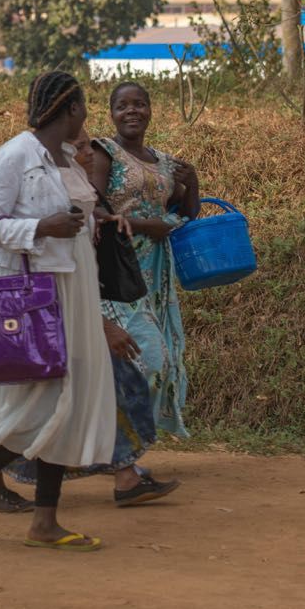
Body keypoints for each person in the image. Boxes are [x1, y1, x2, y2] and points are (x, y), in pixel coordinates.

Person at [0, 71, 117, 552]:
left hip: (74, 286)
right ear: (73, 109)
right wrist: (44, 226)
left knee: (71, 395)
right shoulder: (15, 154)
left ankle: (45, 521)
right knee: (45, 400)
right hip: (39, 293)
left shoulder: (64, 159)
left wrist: (95, 222)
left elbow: (77, 219)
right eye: (84, 107)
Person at [0, 110, 182, 507]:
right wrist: (100, 324)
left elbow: (84, 247)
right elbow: (41, 259)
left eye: (87, 145)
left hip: (73, 308)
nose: (88, 153)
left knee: (81, 391)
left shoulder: (76, 188)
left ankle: (118, 479)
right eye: (79, 145)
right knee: (33, 399)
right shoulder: (46, 187)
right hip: (42, 309)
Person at [85, 80, 200, 440]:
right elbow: (94, 211)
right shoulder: (104, 153)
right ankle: (119, 443)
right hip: (117, 267)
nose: (131, 111)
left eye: (139, 104)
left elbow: (186, 211)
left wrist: (192, 181)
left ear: (150, 110)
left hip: (155, 272)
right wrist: (146, 226)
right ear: (112, 114)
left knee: (153, 357)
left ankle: (125, 443)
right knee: (145, 356)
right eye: (123, 106)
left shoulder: (163, 161)